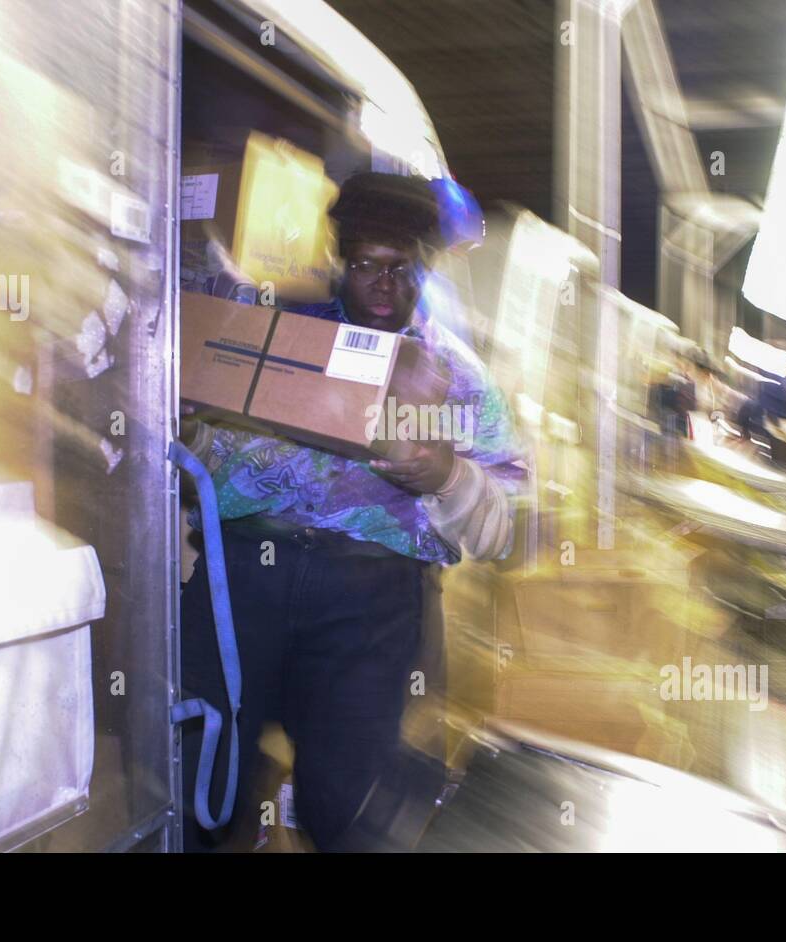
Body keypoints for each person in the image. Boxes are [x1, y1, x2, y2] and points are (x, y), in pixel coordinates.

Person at [180, 171, 527, 852]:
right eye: (366, 264)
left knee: (347, 805)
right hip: (241, 580)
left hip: (368, 603)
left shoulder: (456, 379)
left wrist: (447, 475)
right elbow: (202, 452)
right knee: (206, 780)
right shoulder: (276, 341)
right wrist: (192, 424)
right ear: (342, 260)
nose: (383, 284)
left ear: (424, 267)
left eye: (401, 268)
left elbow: (503, 526)